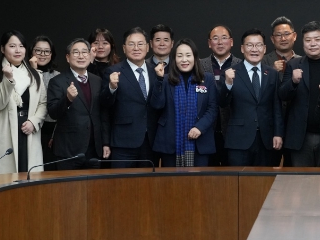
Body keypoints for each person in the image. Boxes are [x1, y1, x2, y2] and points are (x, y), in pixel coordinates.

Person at [0, 30, 47, 174]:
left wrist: (34, 122)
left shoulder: (36, 75)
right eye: (12, 46)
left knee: (29, 173)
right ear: (2, 49)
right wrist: (8, 80)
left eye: (21, 46)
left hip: (29, 129)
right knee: (5, 177)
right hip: (6, 129)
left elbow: (43, 104)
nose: (18, 50)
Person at [218, 29, 283, 166]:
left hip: (266, 139)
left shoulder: (272, 74)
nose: (254, 49)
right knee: (238, 178)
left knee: (264, 178)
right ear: (242, 48)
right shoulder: (230, 73)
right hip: (239, 140)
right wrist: (228, 83)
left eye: (258, 45)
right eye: (249, 45)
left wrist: (278, 133)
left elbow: (276, 106)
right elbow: (222, 103)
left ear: (264, 48)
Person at [150, 38, 218, 167]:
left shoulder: (207, 79)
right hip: (171, 142)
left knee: (199, 179)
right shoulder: (165, 80)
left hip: (200, 142)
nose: (184, 60)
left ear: (195, 57)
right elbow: (157, 105)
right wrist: (159, 79)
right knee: (171, 180)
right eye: (180, 56)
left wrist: (200, 127)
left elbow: (212, 108)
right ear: (174, 59)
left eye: (188, 55)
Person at [279, 21, 320, 167]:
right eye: (308, 40)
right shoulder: (293, 64)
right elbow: (282, 95)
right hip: (300, 136)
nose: (312, 44)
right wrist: (293, 82)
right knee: (301, 179)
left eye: (317, 39)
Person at [100, 27, 159, 168]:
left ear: (147, 47)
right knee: (121, 181)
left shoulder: (156, 71)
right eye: (131, 44)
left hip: (150, 141)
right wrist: (111, 87)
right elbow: (104, 105)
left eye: (140, 44)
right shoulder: (113, 71)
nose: (136, 48)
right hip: (123, 142)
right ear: (124, 48)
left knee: (148, 181)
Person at [47, 39, 108, 169]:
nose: (81, 56)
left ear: (90, 56)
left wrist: (105, 143)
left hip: (94, 150)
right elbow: (53, 113)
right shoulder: (57, 81)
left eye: (84, 52)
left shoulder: (97, 80)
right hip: (68, 150)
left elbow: (102, 114)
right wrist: (67, 99)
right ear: (68, 58)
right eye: (76, 52)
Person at [200, 24, 242, 166]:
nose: (220, 42)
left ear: (231, 42)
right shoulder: (199, 66)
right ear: (209, 43)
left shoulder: (241, 65)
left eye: (224, 38)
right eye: (215, 38)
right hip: (205, 131)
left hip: (233, 131)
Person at [261, 16, 300, 167]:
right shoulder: (263, 61)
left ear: (294, 36)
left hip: (295, 126)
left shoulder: (302, 61)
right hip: (270, 126)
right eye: (278, 35)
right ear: (272, 39)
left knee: (294, 171)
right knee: (267, 170)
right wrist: (271, 71)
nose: (283, 38)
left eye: (286, 34)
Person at [29, 35, 60, 169]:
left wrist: (54, 134)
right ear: (31, 51)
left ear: (51, 54)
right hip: (29, 127)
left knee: (48, 169)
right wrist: (34, 71)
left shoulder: (57, 76)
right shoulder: (24, 74)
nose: (42, 54)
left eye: (47, 51)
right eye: (38, 50)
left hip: (50, 130)